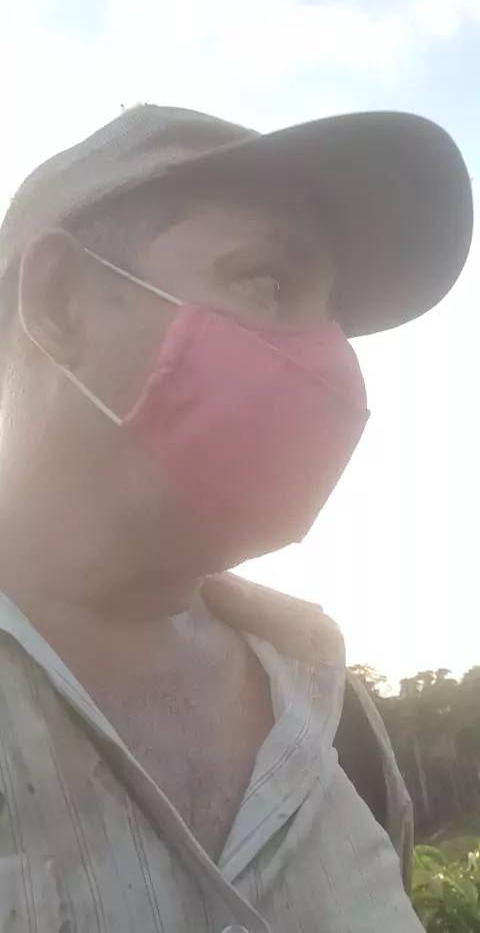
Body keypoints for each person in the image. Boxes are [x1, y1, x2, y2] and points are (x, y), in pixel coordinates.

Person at [0, 105, 472, 933]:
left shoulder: (342, 729)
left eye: (332, 319)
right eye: (270, 284)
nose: (334, 363)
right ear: (61, 301)